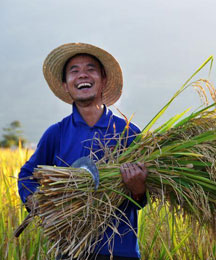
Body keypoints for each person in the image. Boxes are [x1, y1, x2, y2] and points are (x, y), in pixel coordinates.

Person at [17, 43, 148, 260]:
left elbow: (142, 199)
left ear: (103, 81)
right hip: (70, 249)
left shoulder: (128, 133)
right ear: (66, 86)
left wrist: (138, 188)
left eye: (90, 69)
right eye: (74, 71)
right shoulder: (56, 134)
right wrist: (37, 203)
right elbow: (26, 176)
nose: (82, 75)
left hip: (119, 250)